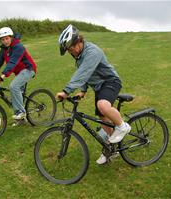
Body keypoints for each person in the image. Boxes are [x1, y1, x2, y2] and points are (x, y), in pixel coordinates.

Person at [56, 24, 131, 164]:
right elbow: (87, 74)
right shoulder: (79, 56)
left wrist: (67, 91)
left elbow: (83, 72)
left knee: (102, 105)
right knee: (102, 117)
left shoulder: (92, 52)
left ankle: (122, 126)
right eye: (68, 50)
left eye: (70, 48)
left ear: (78, 41)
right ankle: (111, 148)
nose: (70, 52)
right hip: (99, 86)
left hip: (110, 82)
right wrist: (83, 91)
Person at [0, 27, 37, 122]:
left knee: (13, 86)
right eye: (2, 39)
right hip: (19, 73)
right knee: (16, 95)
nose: (5, 41)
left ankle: (21, 112)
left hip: (28, 69)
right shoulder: (4, 49)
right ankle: (21, 119)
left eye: (7, 38)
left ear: (11, 37)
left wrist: (2, 75)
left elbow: (12, 62)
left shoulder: (18, 47)